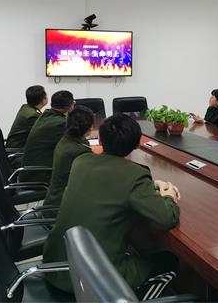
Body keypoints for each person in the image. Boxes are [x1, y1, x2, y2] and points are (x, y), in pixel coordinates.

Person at [43, 114, 181, 300]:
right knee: (168, 261)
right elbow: (165, 218)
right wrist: (169, 196)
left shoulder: (80, 161)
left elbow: (107, 183)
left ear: (100, 140)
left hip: (56, 266)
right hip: (92, 282)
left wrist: (149, 186)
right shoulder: (135, 175)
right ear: (137, 144)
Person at [43, 105, 95, 207]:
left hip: (55, 199)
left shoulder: (66, 139)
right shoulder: (80, 152)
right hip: (62, 206)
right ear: (90, 128)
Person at [19, 90, 74, 182]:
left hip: (31, 171)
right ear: (71, 106)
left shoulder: (45, 115)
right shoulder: (60, 123)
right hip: (41, 174)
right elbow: (72, 146)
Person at [5, 85, 48, 149]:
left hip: (16, 146)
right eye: (46, 95)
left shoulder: (26, 107)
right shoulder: (32, 115)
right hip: (18, 149)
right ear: (43, 100)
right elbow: (44, 134)